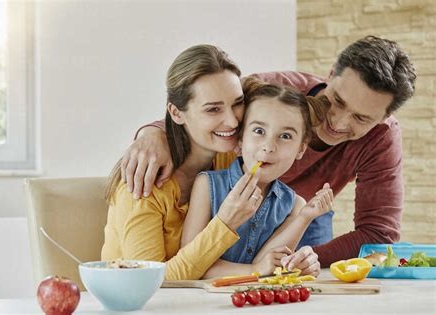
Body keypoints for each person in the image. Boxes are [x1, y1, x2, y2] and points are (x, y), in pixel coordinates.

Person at [120, 36, 417, 268]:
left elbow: (378, 233)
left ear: (382, 119)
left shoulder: (383, 138)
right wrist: (154, 131)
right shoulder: (275, 90)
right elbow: (211, 109)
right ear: (330, 75)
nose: (337, 122)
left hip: (301, 213)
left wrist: (302, 258)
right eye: (337, 100)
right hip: (238, 207)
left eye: (361, 118)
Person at [101, 44, 320, 280]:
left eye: (237, 103)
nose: (232, 121)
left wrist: (293, 260)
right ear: (176, 113)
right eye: (213, 109)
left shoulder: (229, 156)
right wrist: (226, 224)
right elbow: (150, 282)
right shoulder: (142, 185)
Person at [181, 77, 334, 278]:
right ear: (241, 138)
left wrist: (305, 219)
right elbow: (191, 265)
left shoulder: (294, 206)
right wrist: (255, 270)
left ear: (301, 149)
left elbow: (268, 267)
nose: (269, 146)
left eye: (286, 136)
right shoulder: (207, 185)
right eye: (259, 131)